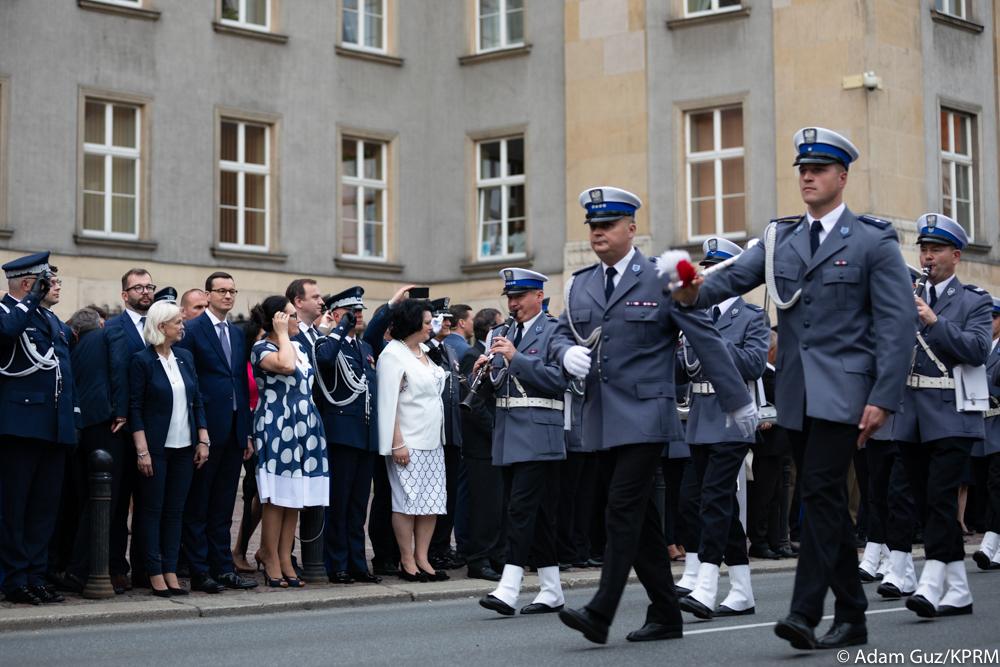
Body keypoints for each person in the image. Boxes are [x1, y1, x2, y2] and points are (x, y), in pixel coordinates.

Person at [671, 128, 915, 650]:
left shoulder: (873, 240)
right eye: (802, 168)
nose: (807, 176)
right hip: (799, 394)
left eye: (820, 169)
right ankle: (851, 613)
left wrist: (884, 397)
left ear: (842, 177)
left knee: (822, 490)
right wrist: (689, 288)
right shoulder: (780, 237)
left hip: (848, 393)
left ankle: (804, 612)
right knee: (821, 498)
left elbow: (897, 328)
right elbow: (731, 278)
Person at [550, 187, 755, 644]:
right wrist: (565, 355)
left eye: (607, 225)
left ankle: (601, 610)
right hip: (601, 420)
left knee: (621, 509)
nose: (598, 233)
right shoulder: (581, 282)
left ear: (631, 228)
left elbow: (706, 340)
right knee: (641, 520)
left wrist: (738, 403)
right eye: (593, 226)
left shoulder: (661, 277)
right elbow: (561, 333)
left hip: (646, 415)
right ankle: (666, 613)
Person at [892, 213, 991, 619]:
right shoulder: (908, 295)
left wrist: (934, 322)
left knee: (939, 498)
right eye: (923, 249)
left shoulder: (974, 300)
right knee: (923, 500)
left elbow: (977, 349)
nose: (927, 256)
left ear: (956, 255)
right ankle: (960, 590)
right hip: (911, 414)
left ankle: (931, 584)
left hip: (953, 414)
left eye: (935, 250)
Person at [676, 237, 768, 621]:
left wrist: (712, 343)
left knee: (715, 498)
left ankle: (708, 582)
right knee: (715, 504)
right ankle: (743, 590)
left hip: (732, 418)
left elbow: (754, 365)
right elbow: (682, 372)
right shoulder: (697, 316)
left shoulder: (751, 317)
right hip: (700, 417)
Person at [476, 268, 569, 616]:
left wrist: (517, 358)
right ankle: (552, 589)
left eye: (519, 297)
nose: (513, 304)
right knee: (539, 514)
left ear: (538, 297)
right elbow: (500, 383)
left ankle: (509, 586)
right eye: (510, 298)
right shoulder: (502, 332)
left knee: (521, 509)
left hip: (538, 430)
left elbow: (558, 379)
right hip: (507, 431)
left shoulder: (555, 330)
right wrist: (484, 371)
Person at [0, 253, 78, 605]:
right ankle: (14, 579)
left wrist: (71, 422)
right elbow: (7, 335)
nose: (55, 286)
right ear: (30, 283)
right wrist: (29, 301)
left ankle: (35, 574)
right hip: (19, 427)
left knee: (44, 509)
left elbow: (65, 375)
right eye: (48, 281)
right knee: (15, 508)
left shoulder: (53, 321)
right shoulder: (7, 313)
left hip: (53, 426)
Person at [177, 271, 257, 593]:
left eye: (232, 291)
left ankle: (223, 567)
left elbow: (240, 382)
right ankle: (199, 570)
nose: (227, 296)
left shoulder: (237, 334)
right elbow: (191, 383)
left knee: (224, 504)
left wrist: (247, 432)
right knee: (200, 503)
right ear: (207, 295)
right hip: (207, 430)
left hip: (235, 429)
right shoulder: (193, 330)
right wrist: (200, 431)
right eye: (221, 291)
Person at [129, 299, 209, 597]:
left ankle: (171, 568)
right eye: (177, 321)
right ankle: (154, 570)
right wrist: (142, 450)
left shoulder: (185, 357)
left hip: (185, 447)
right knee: (152, 510)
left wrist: (203, 438)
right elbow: (135, 407)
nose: (182, 325)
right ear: (162, 327)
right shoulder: (142, 360)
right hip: (156, 448)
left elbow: (197, 399)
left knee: (176, 511)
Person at [250, 296, 329, 588]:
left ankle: (284, 556)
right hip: (277, 425)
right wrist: (282, 334)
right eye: (291, 316)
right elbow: (284, 366)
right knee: (276, 498)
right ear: (277, 320)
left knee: (295, 497)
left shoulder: (297, 346)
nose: (296, 320)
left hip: (304, 425)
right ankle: (269, 556)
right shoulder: (263, 348)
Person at [313, 286, 382, 585]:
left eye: (360, 311)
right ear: (336, 314)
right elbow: (326, 361)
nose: (358, 317)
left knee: (357, 506)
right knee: (339, 505)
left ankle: (357, 563)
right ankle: (337, 564)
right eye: (352, 312)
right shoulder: (329, 342)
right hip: (341, 434)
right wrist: (338, 328)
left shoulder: (364, 348)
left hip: (364, 434)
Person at [375, 299, 448, 582]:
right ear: (413, 323)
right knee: (407, 501)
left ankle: (423, 557)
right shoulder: (393, 354)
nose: (432, 326)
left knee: (431, 502)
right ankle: (407, 560)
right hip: (408, 439)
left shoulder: (425, 351)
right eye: (428, 321)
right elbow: (389, 402)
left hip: (433, 438)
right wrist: (397, 442)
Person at [58, 306, 129, 592]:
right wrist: (121, 411)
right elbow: (119, 370)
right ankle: (86, 570)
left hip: (80, 428)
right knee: (104, 502)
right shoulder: (110, 334)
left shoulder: (75, 346)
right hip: (107, 425)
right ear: (102, 323)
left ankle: (73, 566)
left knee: (83, 499)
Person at [104, 267, 156, 592]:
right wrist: (120, 412)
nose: (145, 292)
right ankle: (115, 567)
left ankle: (144, 567)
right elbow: (114, 374)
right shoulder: (114, 327)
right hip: (123, 431)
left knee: (149, 504)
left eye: (150, 287)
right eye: (138, 288)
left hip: (156, 427)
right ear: (125, 295)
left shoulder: (159, 327)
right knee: (119, 503)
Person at [459, 308, 506, 582]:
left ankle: (498, 556)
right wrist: (496, 430)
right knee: (484, 506)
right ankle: (479, 559)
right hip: (482, 442)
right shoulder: (470, 355)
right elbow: (473, 401)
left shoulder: (496, 355)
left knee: (499, 504)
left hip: (497, 441)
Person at [427, 297, 467, 571]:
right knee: (433, 496)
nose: (447, 324)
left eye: (449, 320)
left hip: (451, 432)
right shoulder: (426, 350)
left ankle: (442, 546)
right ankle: (431, 549)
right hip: (433, 432)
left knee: (449, 494)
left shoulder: (448, 351)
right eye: (441, 319)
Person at [232, 317, 264, 575]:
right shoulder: (242, 363)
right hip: (248, 430)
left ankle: (259, 549)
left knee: (266, 495)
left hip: (266, 429)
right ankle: (238, 550)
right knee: (252, 491)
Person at [974, 296, 1000, 571]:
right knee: (986, 486)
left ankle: (991, 544)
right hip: (982, 426)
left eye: (993, 317)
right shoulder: (980, 347)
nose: (989, 322)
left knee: (996, 485)